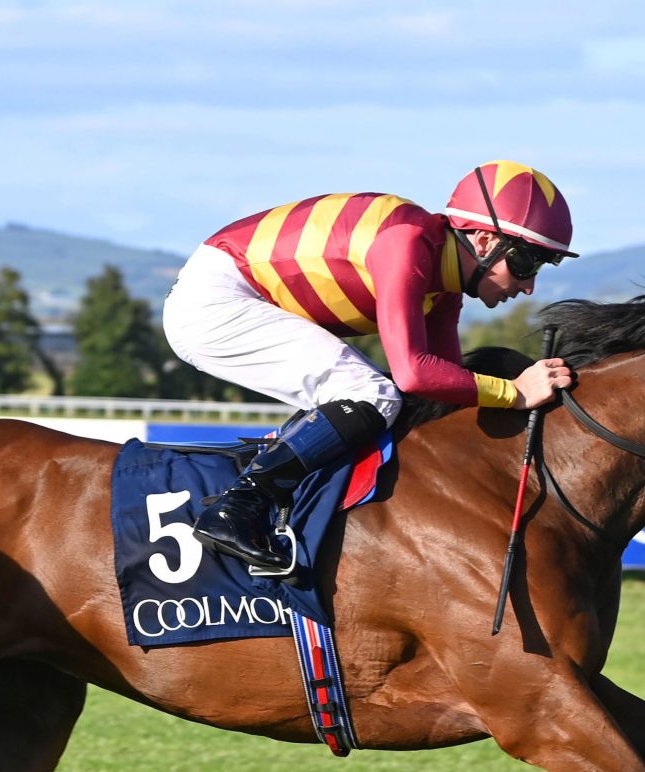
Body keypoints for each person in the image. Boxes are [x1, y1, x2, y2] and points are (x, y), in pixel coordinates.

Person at [163, 161, 578, 568]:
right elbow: (414, 373)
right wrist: (514, 392)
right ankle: (238, 507)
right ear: (484, 241)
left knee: (378, 398)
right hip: (216, 302)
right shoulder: (408, 243)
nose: (528, 286)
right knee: (371, 394)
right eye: (526, 262)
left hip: (239, 292)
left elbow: (443, 389)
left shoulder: (443, 283)